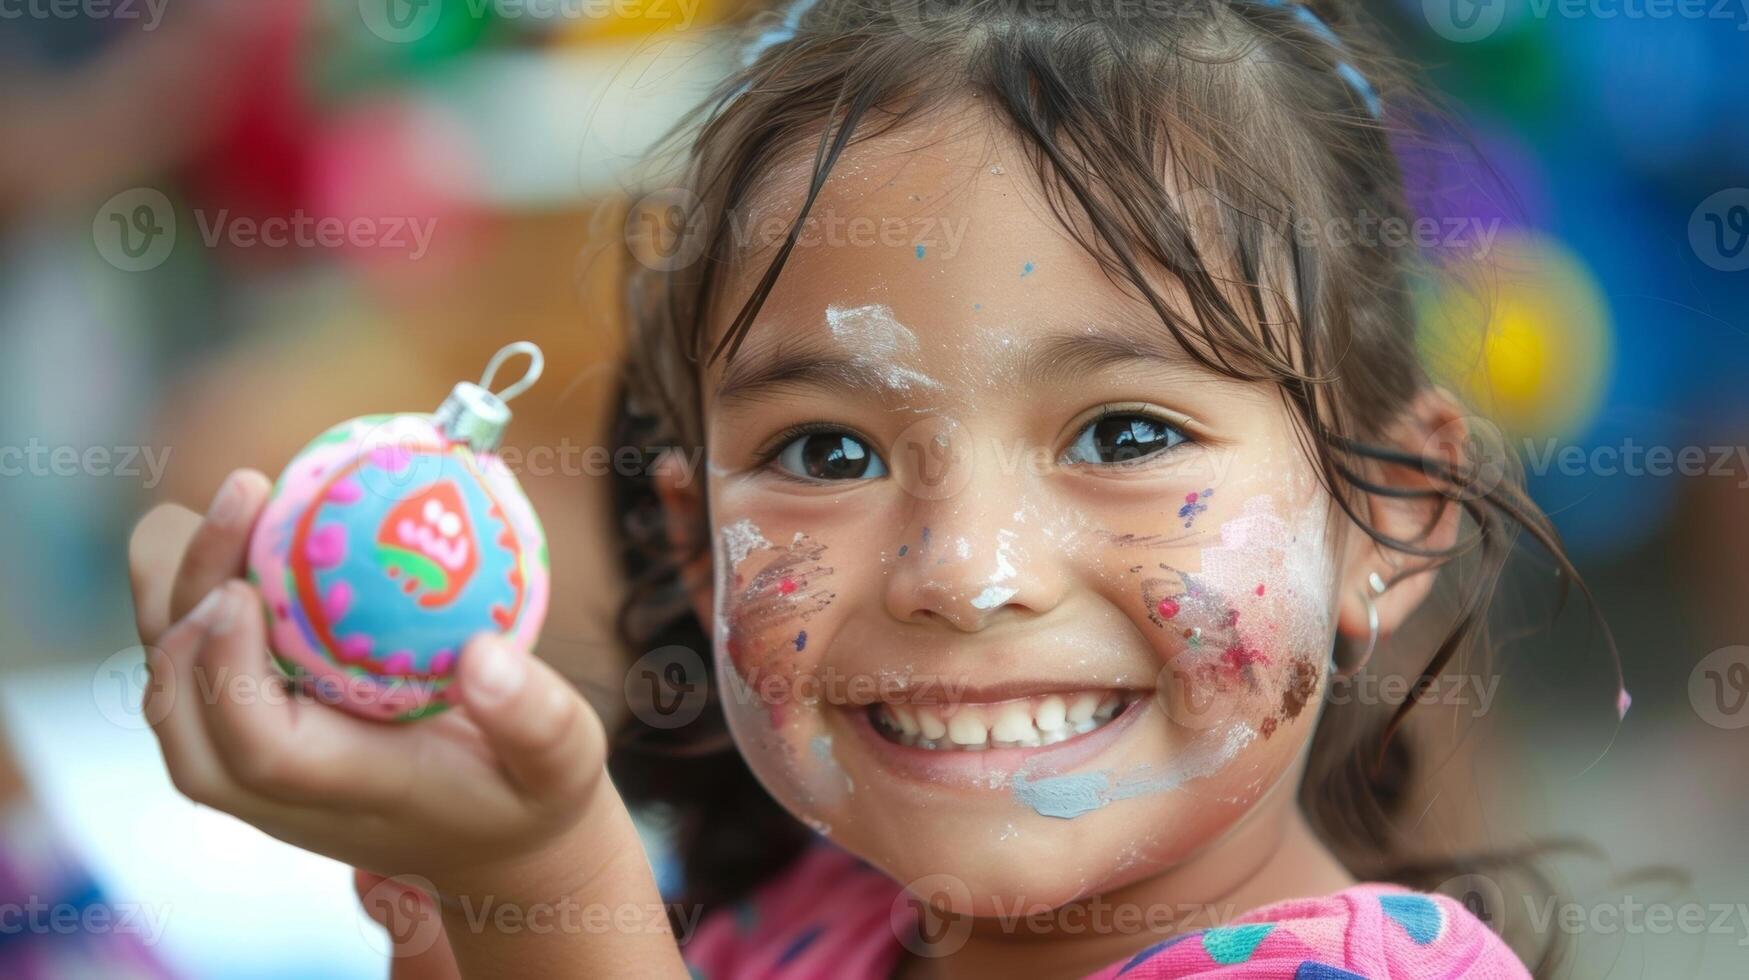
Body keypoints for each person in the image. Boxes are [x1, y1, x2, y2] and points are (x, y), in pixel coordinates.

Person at [126, 0, 1590, 974]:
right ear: (698, 546)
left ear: (1388, 506)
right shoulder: (799, 925)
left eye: (1125, 433)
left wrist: (548, 888)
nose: (961, 567)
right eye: (829, 453)